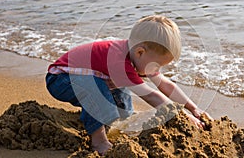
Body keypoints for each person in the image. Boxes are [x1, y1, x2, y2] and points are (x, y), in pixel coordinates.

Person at [45, 15, 212, 155]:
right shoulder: (118, 59)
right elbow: (152, 95)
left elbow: (166, 85)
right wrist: (181, 115)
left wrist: (192, 108)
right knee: (98, 89)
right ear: (140, 52)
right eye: (156, 65)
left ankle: (112, 120)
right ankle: (98, 141)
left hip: (89, 78)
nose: (157, 71)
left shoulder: (137, 56)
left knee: (122, 98)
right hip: (61, 79)